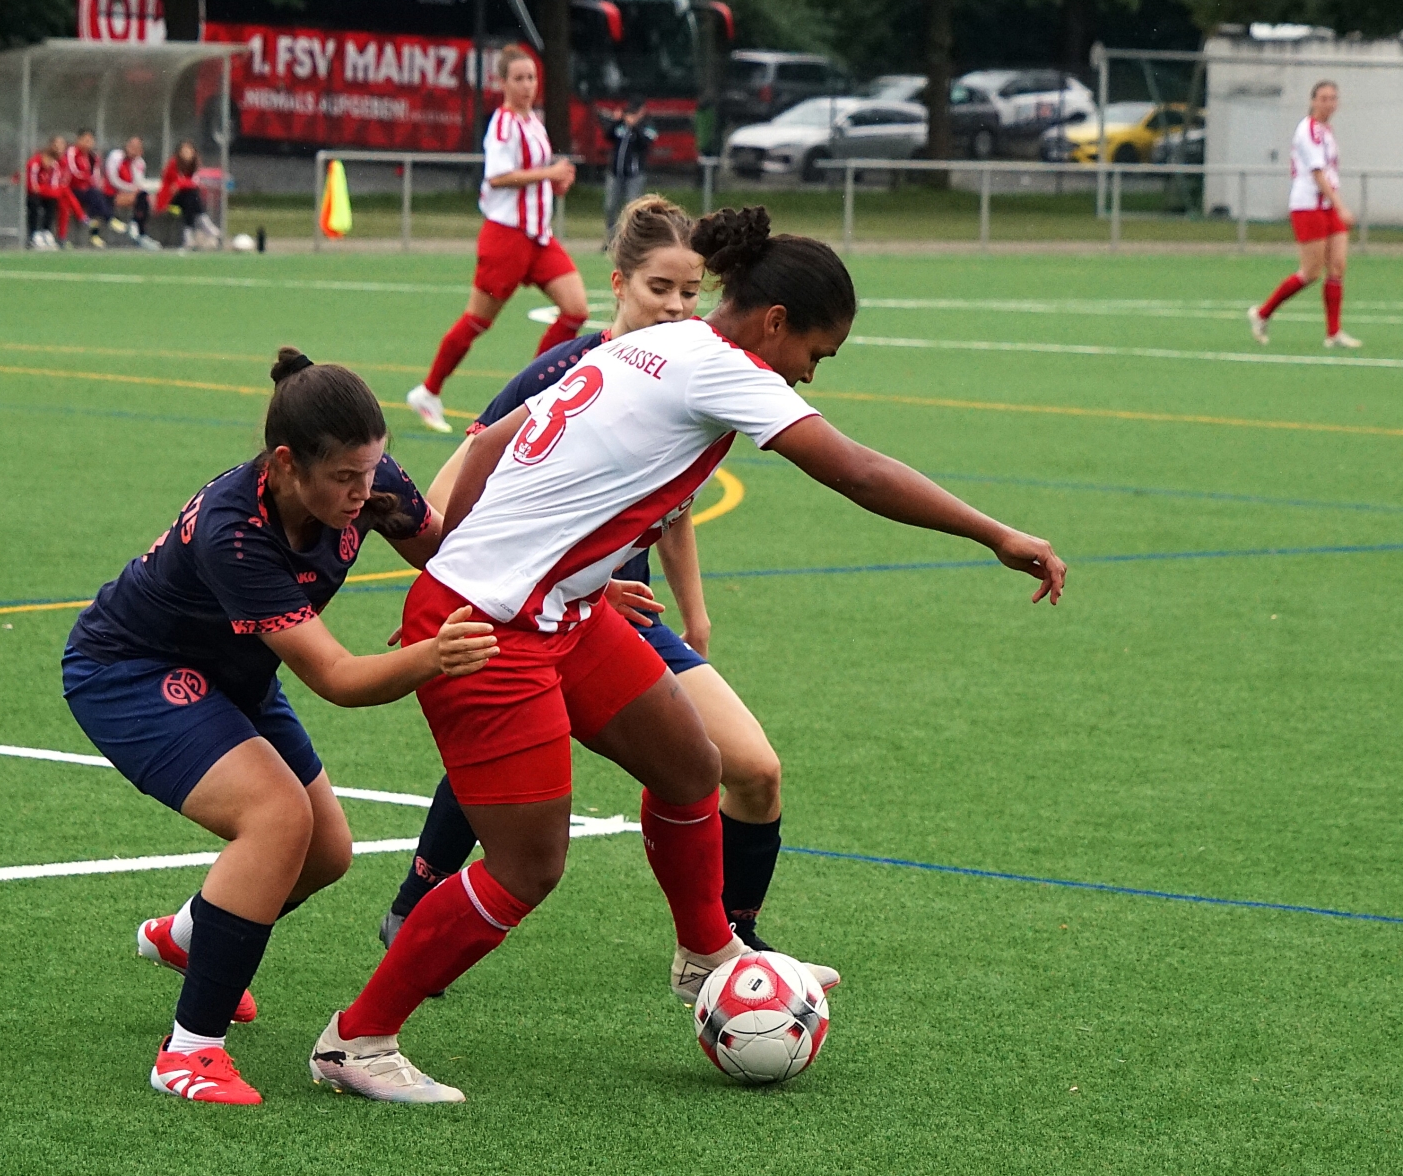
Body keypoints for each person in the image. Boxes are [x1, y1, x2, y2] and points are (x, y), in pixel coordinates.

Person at [313, 204, 1066, 1103]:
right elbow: (857, 470)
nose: (810, 373)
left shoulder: (648, 344)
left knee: (689, 765)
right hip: (491, 627)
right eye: (817, 354)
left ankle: (706, 950)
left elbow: (492, 444)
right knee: (527, 866)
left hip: (561, 610)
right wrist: (994, 533)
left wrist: (510, 560)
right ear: (776, 323)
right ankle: (357, 1040)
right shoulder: (724, 366)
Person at [377, 194, 834, 988]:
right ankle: (412, 913)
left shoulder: (696, 366)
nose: (677, 304)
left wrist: (694, 612)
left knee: (741, 767)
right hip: (527, 604)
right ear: (619, 283)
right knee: (518, 792)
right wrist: (457, 577)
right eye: (660, 287)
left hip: (608, 610)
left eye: (689, 290)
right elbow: (474, 462)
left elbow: (674, 510)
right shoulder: (582, 363)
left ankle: (725, 949)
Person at [62, 348, 496, 1105]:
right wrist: (434, 655)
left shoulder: (368, 481)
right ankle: (188, 1052)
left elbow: (451, 557)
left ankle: (190, 936)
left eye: (373, 470)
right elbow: (336, 677)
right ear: (287, 464)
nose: (364, 492)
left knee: (326, 852)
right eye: (345, 478)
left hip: (236, 673)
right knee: (277, 817)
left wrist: (575, 595)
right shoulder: (235, 530)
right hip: (128, 670)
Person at [406, 45, 586, 435]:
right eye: (518, 78)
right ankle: (428, 391)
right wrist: (549, 174)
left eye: (531, 78)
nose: (527, 86)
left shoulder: (534, 122)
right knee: (477, 320)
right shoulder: (503, 124)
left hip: (538, 237)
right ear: (502, 83)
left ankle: (536, 391)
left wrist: (557, 183)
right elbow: (498, 177)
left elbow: (536, 176)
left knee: (576, 310)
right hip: (506, 237)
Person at [1250, 81, 1359, 350]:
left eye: (1333, 98)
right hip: (1308, 205)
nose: (1329, 103)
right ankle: (1262, 314)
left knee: (1337, 266)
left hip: (1327, 204)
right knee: (1310, 272)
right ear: (1313, 101)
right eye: (1323, 98)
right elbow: (1317, 173)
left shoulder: (1326, 130)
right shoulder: (1307, 130)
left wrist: (1335, 204)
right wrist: (1341, 206)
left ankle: (1333, 333)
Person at [602, 97, 656, 242]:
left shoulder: (647, 126)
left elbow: (646, 143)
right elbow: (608, 135)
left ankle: (631, 239)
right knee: (610, 206)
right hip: (615, 173)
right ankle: (611, 238)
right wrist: (616, 121)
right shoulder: (621, 126)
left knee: (633, 207)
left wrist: (635, 127)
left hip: (634, 174)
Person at [153, 140, 221, 249]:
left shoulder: (194, 165)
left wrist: (181, 184)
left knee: (190, 196)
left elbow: (193, 182)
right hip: (170, 199)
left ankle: (188, 234)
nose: (187, 153)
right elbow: (174, 185)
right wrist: (182, 184)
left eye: (189, 151)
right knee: (190, 194)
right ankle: (203, 223)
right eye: (184, 151)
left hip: (185, 199)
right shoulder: (173, 164)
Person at [102, 135, 157, 248]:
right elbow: (113, 180)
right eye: (131, 146)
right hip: (111, 194)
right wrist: (131, 189)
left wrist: (134, 163)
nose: (133, 149)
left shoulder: (139, 162)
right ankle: (138, 231)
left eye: (137, 147)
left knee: (144, 197)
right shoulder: (116, 156)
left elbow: (138, 182)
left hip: (129, 194)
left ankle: (137, 228)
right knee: (141, 196)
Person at [64, 129, 112, 247]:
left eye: (91, 141)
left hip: (86, 190)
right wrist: (87, 179)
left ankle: (94, 234)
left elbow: (96, 175)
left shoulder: (92, 156)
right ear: (79, 140)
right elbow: (73, 172)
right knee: (95, 196)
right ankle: (108, 219)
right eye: (86, 140)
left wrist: (92, 182)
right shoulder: (72, 152)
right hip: (72, 189)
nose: (89, 143)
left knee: (96, 198)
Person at [24, 137, 65, 250]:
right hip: (31, 195)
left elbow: (54, 187)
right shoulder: (35, 163)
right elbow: (32, 186)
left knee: (52, 201)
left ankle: (46, 232)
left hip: (44, 194)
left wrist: (44, 190)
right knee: (34, 202)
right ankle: (34, 234)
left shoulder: (55, 165)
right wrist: (44, 189)